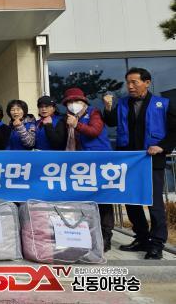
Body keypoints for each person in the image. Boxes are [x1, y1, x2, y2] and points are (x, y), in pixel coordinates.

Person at [103, 68, 176, 259]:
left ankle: (157, 244)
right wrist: (108, 107)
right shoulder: (122, 103)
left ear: (147, 82)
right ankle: (142, 238)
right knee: (131, 200)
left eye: (134, 82)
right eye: (128, 82)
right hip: (129, 161)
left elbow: (174, 131)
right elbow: (111, 122)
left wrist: (162, 146)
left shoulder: (163, 104)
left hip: (151, 159)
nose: (130, 86)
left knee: (153, 203)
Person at [63, 87, 114, 252]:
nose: (73, 104)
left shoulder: (94, 112)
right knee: (84, 199)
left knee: (103, 199)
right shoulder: (69, 118)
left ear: (84, 102)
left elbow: (95, 131)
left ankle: (106, 236)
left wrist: (76, 125)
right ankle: (87, 234)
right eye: (70, 102)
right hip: (80, 165)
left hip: (99, 163)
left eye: (77, 101)